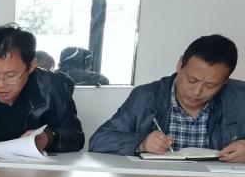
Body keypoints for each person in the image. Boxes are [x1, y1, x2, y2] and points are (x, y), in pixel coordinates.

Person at [89, 35, 245, 161]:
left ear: (225, 81)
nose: (197, 91)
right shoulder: (146, 96)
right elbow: (99, 140)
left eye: (211, 85)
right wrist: (142, 143)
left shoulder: (240, 98)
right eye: (192, 80)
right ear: (179, 65)